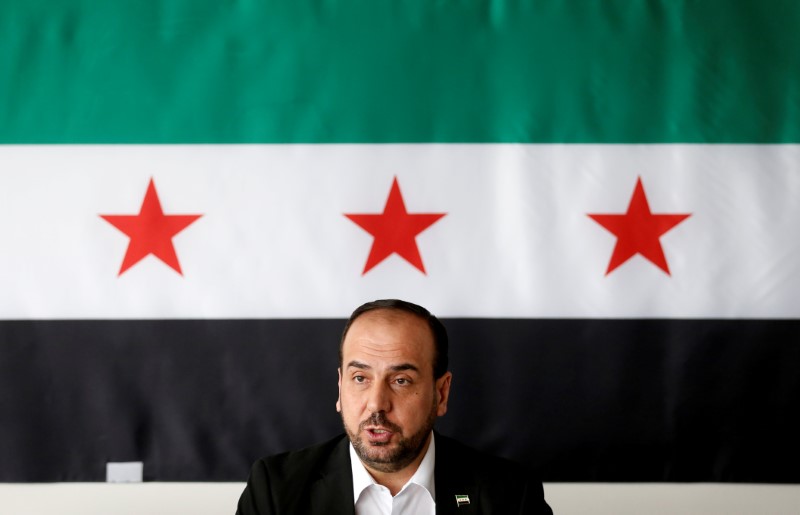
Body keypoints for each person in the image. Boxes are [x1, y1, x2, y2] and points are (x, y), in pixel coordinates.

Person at [236, 299, 552, 514]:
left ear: (441, 393)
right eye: (360, 378)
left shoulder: (511, 494)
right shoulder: (276, 490)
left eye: (401, 380)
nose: (376, 403)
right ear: (340, 387)